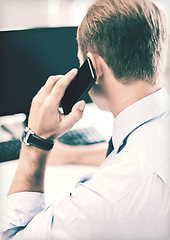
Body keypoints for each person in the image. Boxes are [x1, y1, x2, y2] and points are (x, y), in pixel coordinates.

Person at [1, 0, 170, 239]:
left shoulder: (100, 204)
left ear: (94, 67)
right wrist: (73, 155)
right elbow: (138, 155)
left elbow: (12, 236)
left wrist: (36, 141)